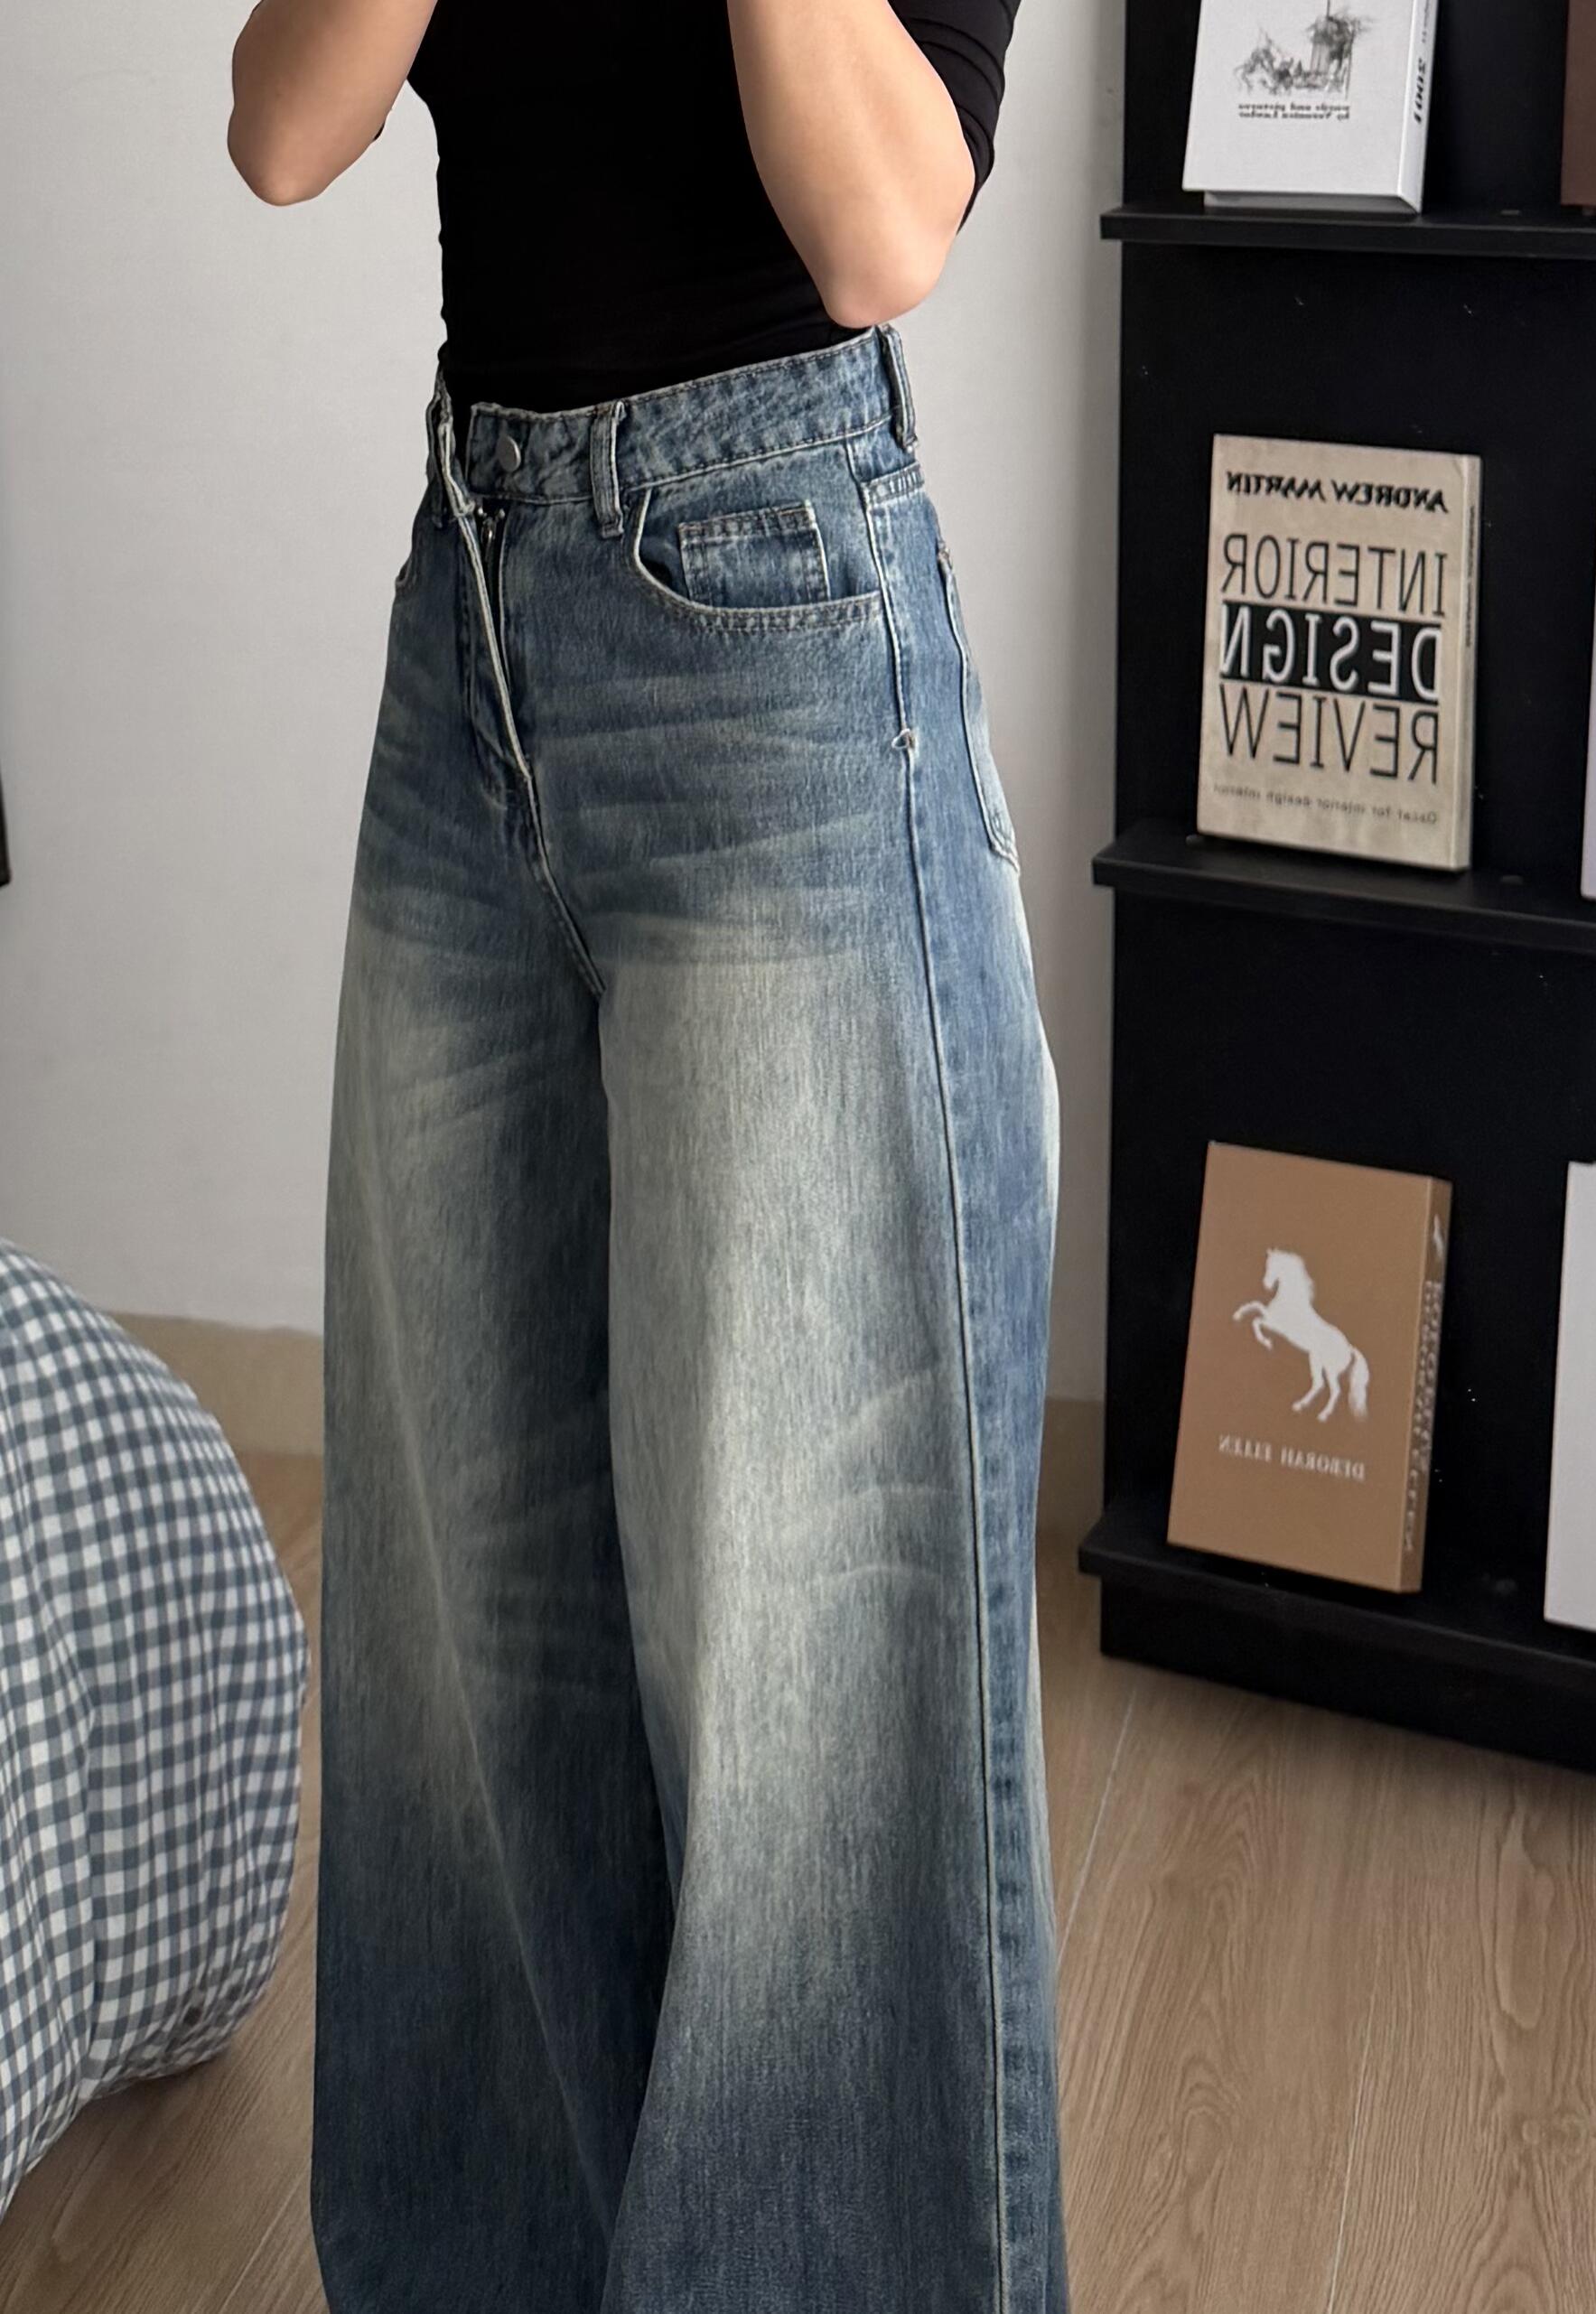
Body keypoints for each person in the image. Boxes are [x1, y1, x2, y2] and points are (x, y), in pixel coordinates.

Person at [227, 1, 1065, 2306]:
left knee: (811, 1661)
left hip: (773, 624)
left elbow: (880, 227)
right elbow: (283, 127)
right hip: (473, 610)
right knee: (464, 1618)